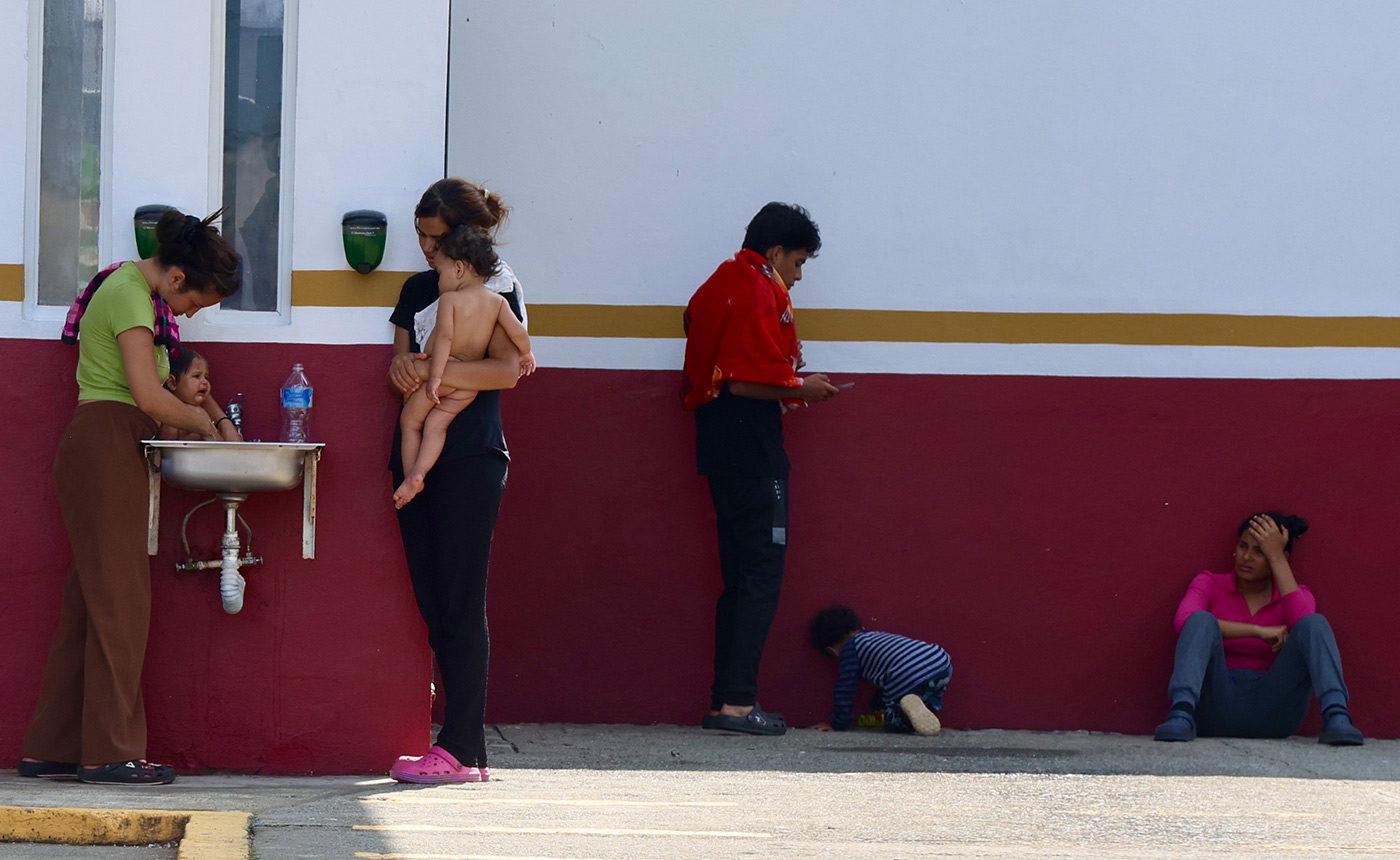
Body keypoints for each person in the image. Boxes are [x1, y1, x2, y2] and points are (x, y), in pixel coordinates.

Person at [19, 209, 240, 785]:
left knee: (90, 607)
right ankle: (111, 753)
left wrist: (205, 417)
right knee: (122, 604)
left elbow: (159, 389)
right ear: (175, 280)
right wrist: (201, 424)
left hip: (109, 444)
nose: (189, 315)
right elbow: (147, 392)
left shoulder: (132, 293)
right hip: (107, 441)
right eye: (195, 304)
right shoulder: (130, 295)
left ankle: (56, 745)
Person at [682, 202, 842, 736]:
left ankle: (725, 698)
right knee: (760, 578)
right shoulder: (755, 287)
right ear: (775, 253)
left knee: (739, 579)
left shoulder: (717, 285)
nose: (798, 277)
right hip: (753, 449)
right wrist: (802, 387)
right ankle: (736, 704)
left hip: (720, 446)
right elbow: (743, 380)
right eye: (798, 263)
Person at [386, 178, 525, 784]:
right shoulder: (419, 290)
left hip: (471, 457)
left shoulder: (500, 288)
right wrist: (404, 368)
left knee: (462, 600)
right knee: (433, 598)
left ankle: (463, 747)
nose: (424, 249)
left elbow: (510, 371)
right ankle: (458, 746)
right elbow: (396, 366)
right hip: (417, 454)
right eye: (419, 235)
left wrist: (442, 371)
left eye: (435, 238)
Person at [1154, 512, 1364, 745]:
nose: (1246, 557)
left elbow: (1305, 625)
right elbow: (1184, 620)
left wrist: (1277, 559)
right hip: (1215, 707)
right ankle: (1181, 713)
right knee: (1201, 620)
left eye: (1260, 551)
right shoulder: (1210, 583)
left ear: (1281, 558)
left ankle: (1337, 717)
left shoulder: (1296, 595)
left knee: (1315, 623)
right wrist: (1256, 631)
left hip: (1274, 712)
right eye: (1243, 546)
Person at [393, 225, 534, 509]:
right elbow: (518, 332)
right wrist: (527, 354)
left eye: (441, 273)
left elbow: (443, 339)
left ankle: (412, 476)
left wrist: (434, 377)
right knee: (437, 426)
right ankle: (422, 471)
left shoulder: (450, 300)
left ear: (458, 269)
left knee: (411, 422)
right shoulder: (496, 303)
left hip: (444, 375)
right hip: (468, 387)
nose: (438, 281)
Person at [808, 605, 953, 735]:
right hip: (940, 660)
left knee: (891, 717)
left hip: (906, 673)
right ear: (861, 628)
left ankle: (904, 717)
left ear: (832, 650)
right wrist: (874, 704)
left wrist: (839, 723)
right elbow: (882, 684)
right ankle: (928, 708)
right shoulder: (876, 637)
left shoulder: (849, 650)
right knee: (928, 691)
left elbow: (846, 688)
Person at [157, 348, 243, 441]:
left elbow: (220, 446)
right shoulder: (171, 414)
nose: (205, 382)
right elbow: (167, 447)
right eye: (197, 376)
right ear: (172, 383)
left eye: (206, 377)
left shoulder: (204, 413)